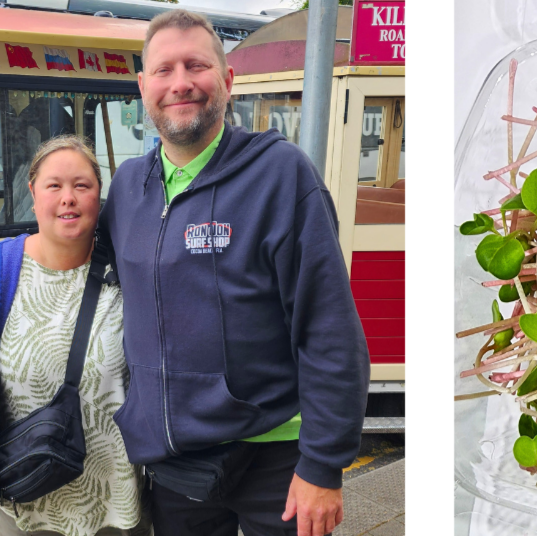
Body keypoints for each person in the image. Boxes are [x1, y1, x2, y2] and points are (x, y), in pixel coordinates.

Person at [99, 9, 369, 536]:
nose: (180, 83)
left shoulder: (281, 175)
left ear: (227, 81)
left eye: (196, 66)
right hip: (175, 459)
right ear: (142, 86)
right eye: (164, 70)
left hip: (277, 458)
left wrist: (323, 465)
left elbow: (328, 328)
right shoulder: (129, 188)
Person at [0, 136, 150, 536]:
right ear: (32, 194)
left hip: (120, 498)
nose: (68, 198)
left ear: (98, 195)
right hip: (28, 501)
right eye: (54, 186)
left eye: (81, 186)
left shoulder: (127, 269)